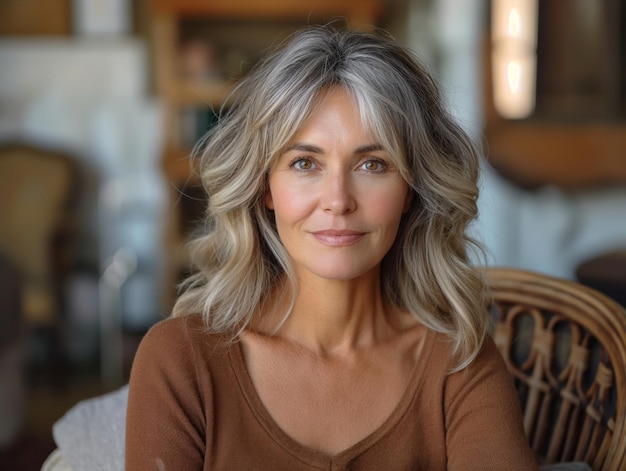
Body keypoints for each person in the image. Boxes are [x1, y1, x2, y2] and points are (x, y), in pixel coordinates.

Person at [126, 25, 538, 470]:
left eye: (372, 164)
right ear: (265, 186)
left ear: (411, 191)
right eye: (305, 163)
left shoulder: (460, 365)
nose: (338, 200)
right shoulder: (180, 361)